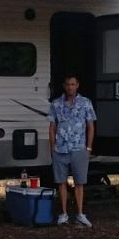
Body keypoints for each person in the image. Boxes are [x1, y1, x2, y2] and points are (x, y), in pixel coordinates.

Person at [48, 73, 96, 226]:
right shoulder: (56, 104)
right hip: (60, 148)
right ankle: (63, 213)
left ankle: (80, 214)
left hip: (79, 148)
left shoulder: (85, 103)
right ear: (64, 86)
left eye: (73, 84)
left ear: (77, 85)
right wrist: (52, 147)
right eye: (68, 84)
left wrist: (88, 147)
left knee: (79, 182)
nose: (70, 87)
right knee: (61, 182)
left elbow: (90, 126)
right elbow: (52, 127)